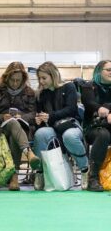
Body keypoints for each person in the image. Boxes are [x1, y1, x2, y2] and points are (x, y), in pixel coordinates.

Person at [31, 61, 89, 190]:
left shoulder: (69, 87)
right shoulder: (40, 94)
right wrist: (39, 120)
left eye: (44, 78)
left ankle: (85, 170)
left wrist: (50, 116)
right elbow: (41, 114)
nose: (41, 81)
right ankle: (40, 173)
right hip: (52, 127)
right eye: (39, 78)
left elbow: (71, 109)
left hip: (70, 125)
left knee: (69, 136)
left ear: (53, 75)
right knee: (40, 134)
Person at [0, 61, 37, 189]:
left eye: (18, 80)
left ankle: (14, 177)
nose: (15, 83)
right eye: (12, 80)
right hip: (0, 129)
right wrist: (3, 117)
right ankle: (28, 153)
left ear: (23, 79)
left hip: (23, 129)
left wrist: (21, 117)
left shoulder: (30, 92)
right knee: (12, 122)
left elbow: (33, 114)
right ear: (6, 78)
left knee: (15, 131)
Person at [82, 60, 111, 192]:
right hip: (94, 128)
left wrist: (107, 109)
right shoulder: (88, 87)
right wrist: (102, 109)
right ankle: (93, 177)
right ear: (99, 71)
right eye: (108, 70)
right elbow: (89, 102)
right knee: (103, 134)